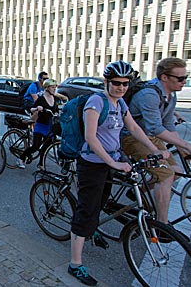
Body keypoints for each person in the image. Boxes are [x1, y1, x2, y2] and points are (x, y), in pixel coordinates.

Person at [69, 60, 169, 286]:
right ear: (107, 82)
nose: (121, 87)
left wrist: (156, 150)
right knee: (87, 209)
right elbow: (91, 138)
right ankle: (75, 263)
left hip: (112, 160)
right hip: (93, 162)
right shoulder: (96, 102)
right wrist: (112, 164)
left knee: (101, 201)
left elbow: (134, 128)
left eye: (125, 83)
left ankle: (91, 229)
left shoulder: (120, 103)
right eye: (116, 83)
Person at [122, 57, 191, 225]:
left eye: (185, 77)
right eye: (180, 78)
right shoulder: (149, 94)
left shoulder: (170, 96)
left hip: (149, 137)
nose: (184, 82)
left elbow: (168, 126)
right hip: (131, 137)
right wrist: (189, 146)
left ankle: (140, 190)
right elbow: (156, 128)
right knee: (166, 175)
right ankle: (161, 225)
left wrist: (184, 151)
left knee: (176, 171)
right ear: (164, 77)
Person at [16, 79, 65, 169]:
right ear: (46, 88)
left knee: (47, 145)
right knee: (35, 146)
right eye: (52, 87)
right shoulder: (41, 99)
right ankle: (21, 158)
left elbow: (56, 110)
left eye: (55, 87)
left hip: (50, 125)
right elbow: (32, 109)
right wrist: (37, 108)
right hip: (41, 125)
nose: (54, 89)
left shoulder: (55, 98)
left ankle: (41, 164)